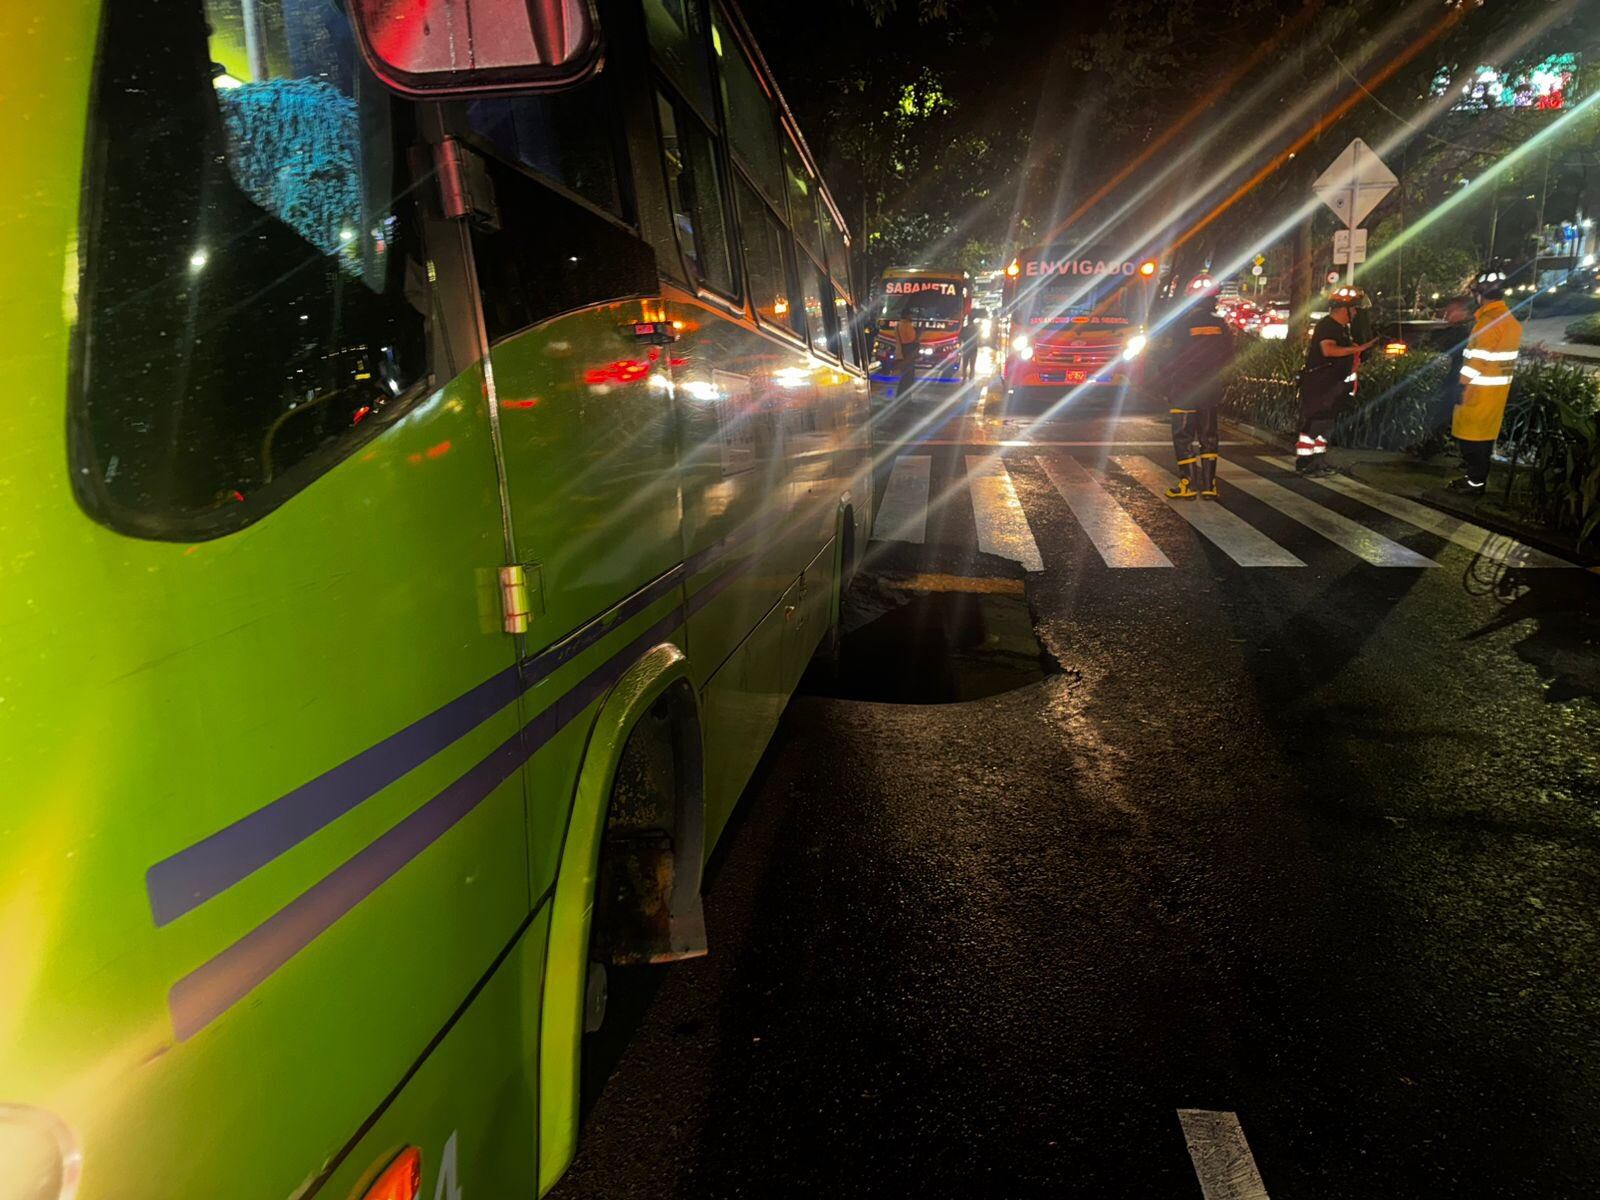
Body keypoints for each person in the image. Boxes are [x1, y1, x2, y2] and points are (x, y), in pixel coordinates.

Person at [1449, 265, 1523, 496]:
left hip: (1477, 391)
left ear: (1480, 294)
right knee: (1483, 439)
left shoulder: (1488, 322)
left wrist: (1461, 384)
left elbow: (1477, 360)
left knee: (1472, 441)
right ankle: (1475, 479)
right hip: (1495, 392)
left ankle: (1474, 483)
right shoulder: (1509, 320)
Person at [1164, 275, 1235, 500]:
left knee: (1183, 435)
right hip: (1210, 390)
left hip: (1184, 389)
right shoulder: (1221, 325)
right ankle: (1208, 485)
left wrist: (1165, 384)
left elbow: (1170, 357)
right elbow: (1229, 357)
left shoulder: (1183, 324)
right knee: (1209, 435)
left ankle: (1187, 483)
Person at [1297, 287, 1377, 476]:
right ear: (1344, 309)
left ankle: (1318, 461)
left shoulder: (1342, 329)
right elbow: (1328, 350)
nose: (1356, 313)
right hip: (1321, 386)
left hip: (1333, 386)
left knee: (1325, 426)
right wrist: (1357, 349)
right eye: (1354, 309)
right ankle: (1306, 462)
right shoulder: (1328, 326)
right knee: (1316, 424)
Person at [1412, 294, 1473, 459]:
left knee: (1443, 414)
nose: (1448, 313)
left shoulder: (1464, 331)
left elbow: (1443, 348)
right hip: (1453, 380)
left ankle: (1435, 446)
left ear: (1463, 311)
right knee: (1441, 414)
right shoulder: (1456, 330)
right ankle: (1434, 445)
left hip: (1458, 382)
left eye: (1452, 310)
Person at [895, 314, 919, 392]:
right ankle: (906, 398)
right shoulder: (906, 325)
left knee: (904, 377)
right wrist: (919, 333)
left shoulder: (898, 325)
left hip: (901, 352)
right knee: (908, 378)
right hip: (908, 353)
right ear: (907, 315)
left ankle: (900, 396)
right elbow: (913, 339)